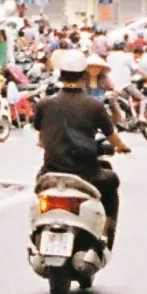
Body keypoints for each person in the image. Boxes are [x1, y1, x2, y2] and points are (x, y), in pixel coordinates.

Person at [32, 49, 122, 231]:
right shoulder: (94, 105)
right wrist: (123, 147)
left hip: (50, 173)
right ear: (84, 75)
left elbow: (41, 139)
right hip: (87, 173)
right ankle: (106, 232)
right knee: (112, 181)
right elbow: (113, 139)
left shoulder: (44, 104)